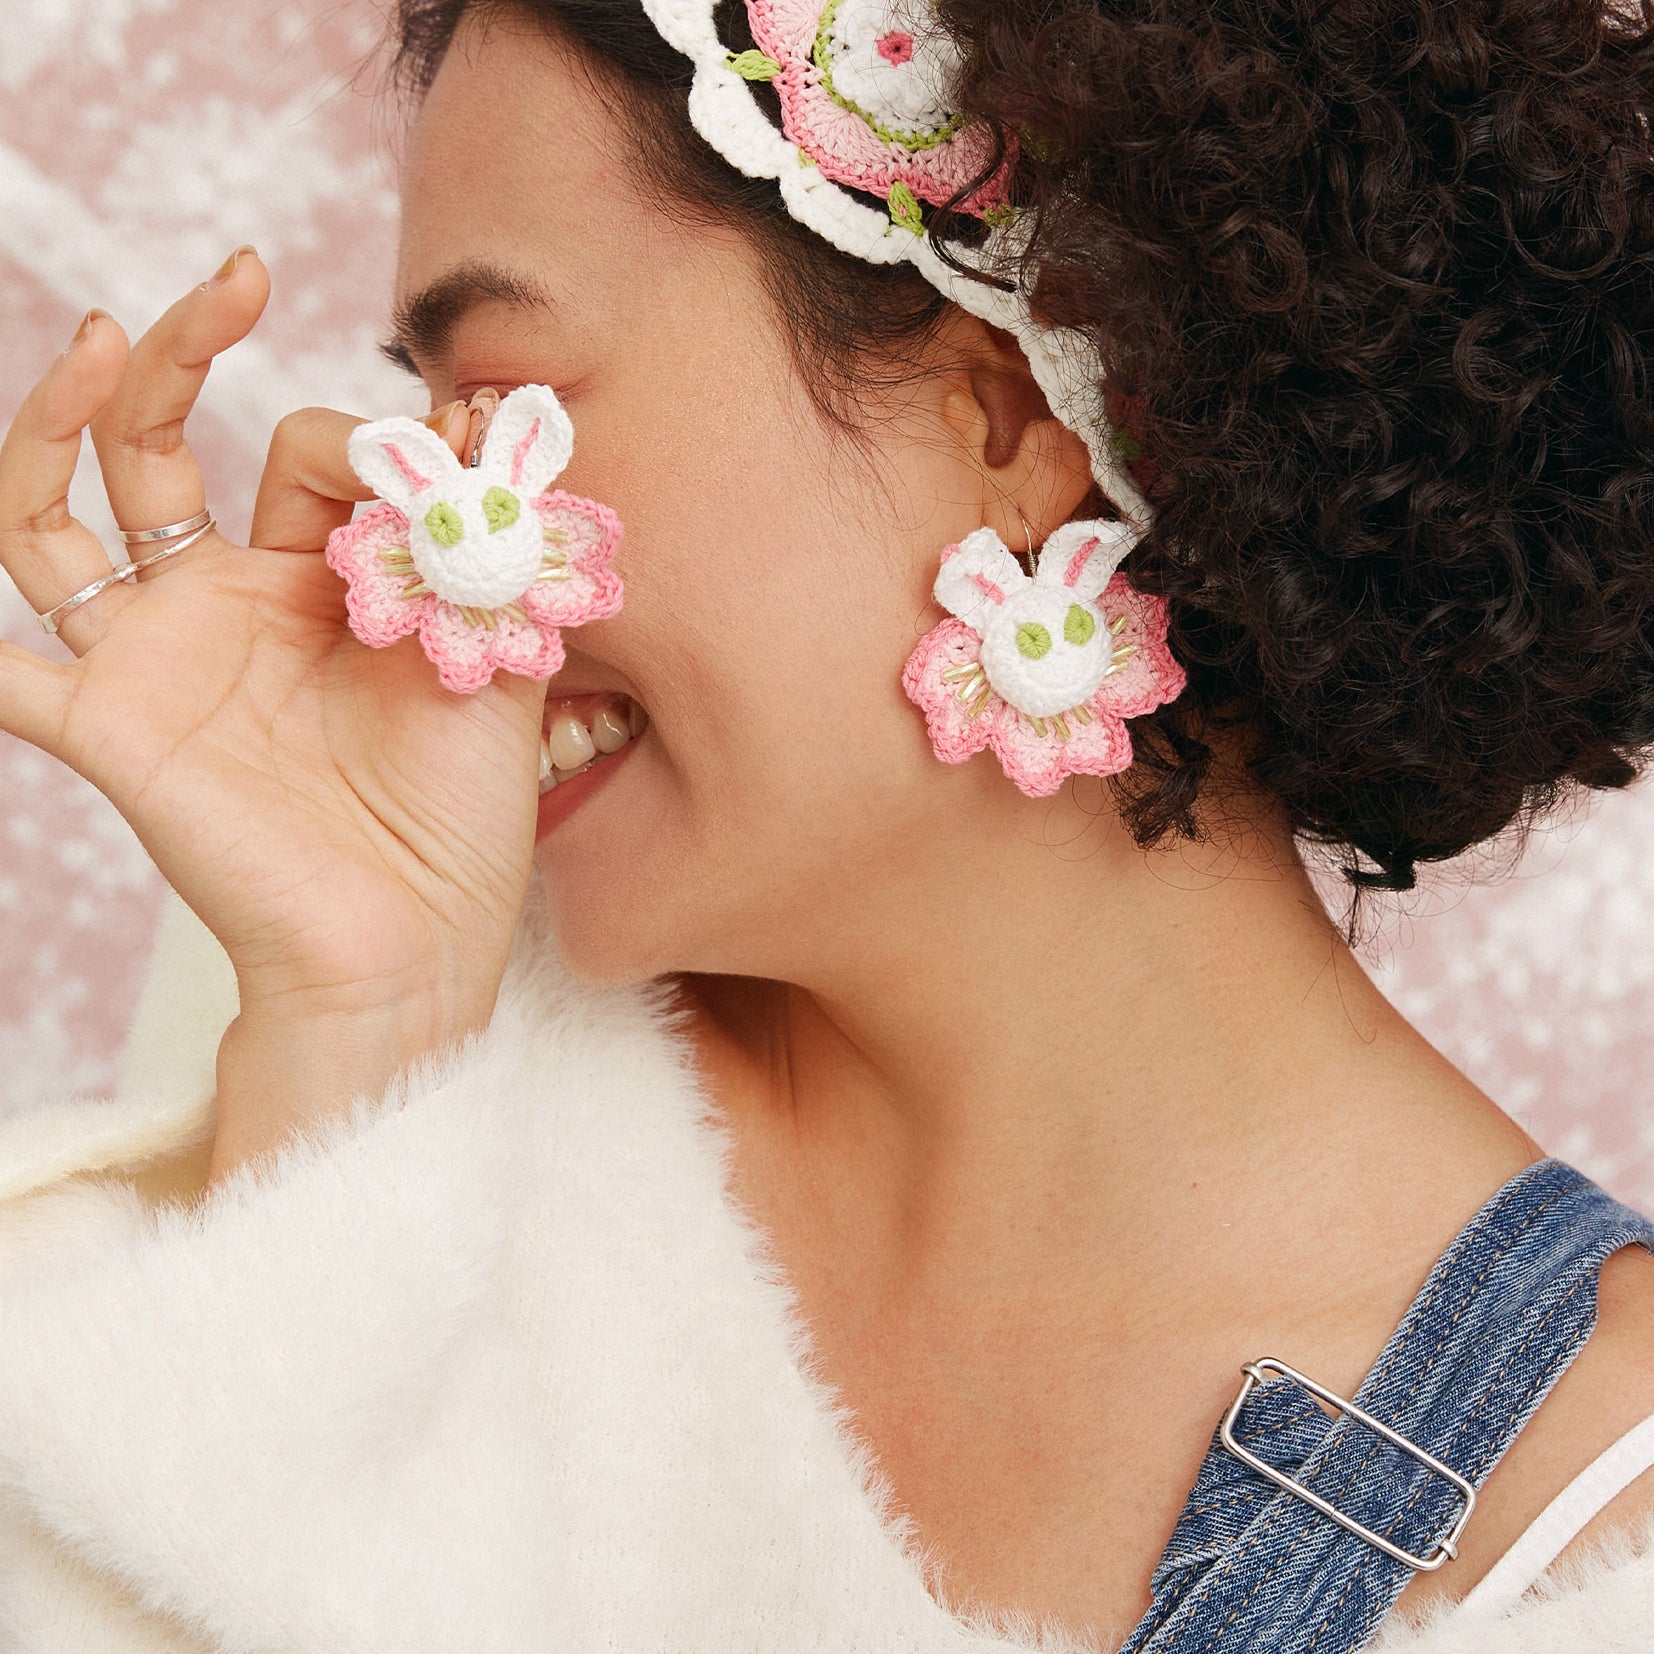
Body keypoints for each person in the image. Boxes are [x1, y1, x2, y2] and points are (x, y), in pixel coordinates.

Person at [0, 1, 1650, 1649]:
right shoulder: (373, 1008)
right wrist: (352, 1046)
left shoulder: (1596, 1537)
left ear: (1012, 421)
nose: (406, 539)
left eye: (497, 392)